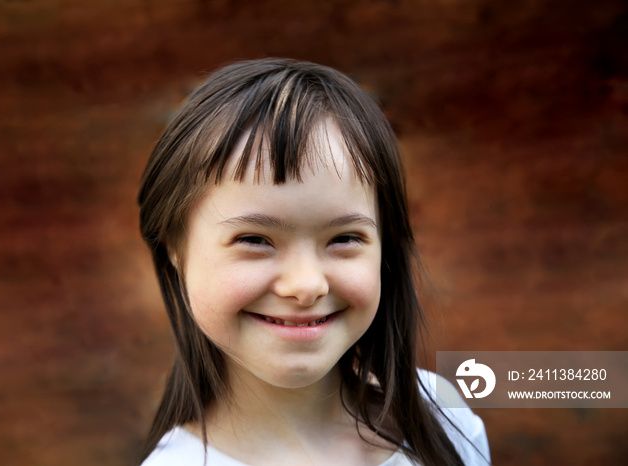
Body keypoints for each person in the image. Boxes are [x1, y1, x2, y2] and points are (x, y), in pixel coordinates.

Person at [137, 58, 491, 465]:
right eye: (254, 239)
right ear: (174, 249)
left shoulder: (444, 419)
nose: (306, 285)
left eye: (344, 238)